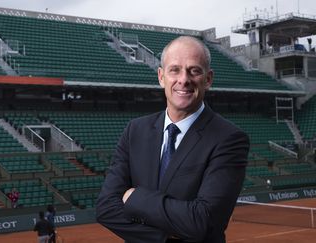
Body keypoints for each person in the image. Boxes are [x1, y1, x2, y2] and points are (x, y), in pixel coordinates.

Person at [96, 36, 249, 243]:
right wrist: (166, 236)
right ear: (161, 77)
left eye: (194, 70)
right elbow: (106, 208)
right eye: (174, 70)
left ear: (208, 79)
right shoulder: (135, 130)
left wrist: (134, 198)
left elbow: (202, 222)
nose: (183, 80)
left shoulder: (229, 138)